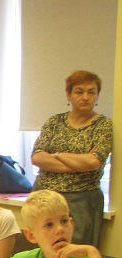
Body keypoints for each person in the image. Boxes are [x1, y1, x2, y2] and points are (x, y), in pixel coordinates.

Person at [31, 70, 113, 247]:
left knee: (75, 254)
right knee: (41, 250)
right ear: (69, 95)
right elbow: (37, 157)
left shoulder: (103, 125)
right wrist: (79, 163)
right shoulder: (54, 122)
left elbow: (93, 162)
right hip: (44, 196)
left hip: (81, 201)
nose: (85, 97)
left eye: (91, 92)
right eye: (79, 92)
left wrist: (57, 155)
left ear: (97, 96)